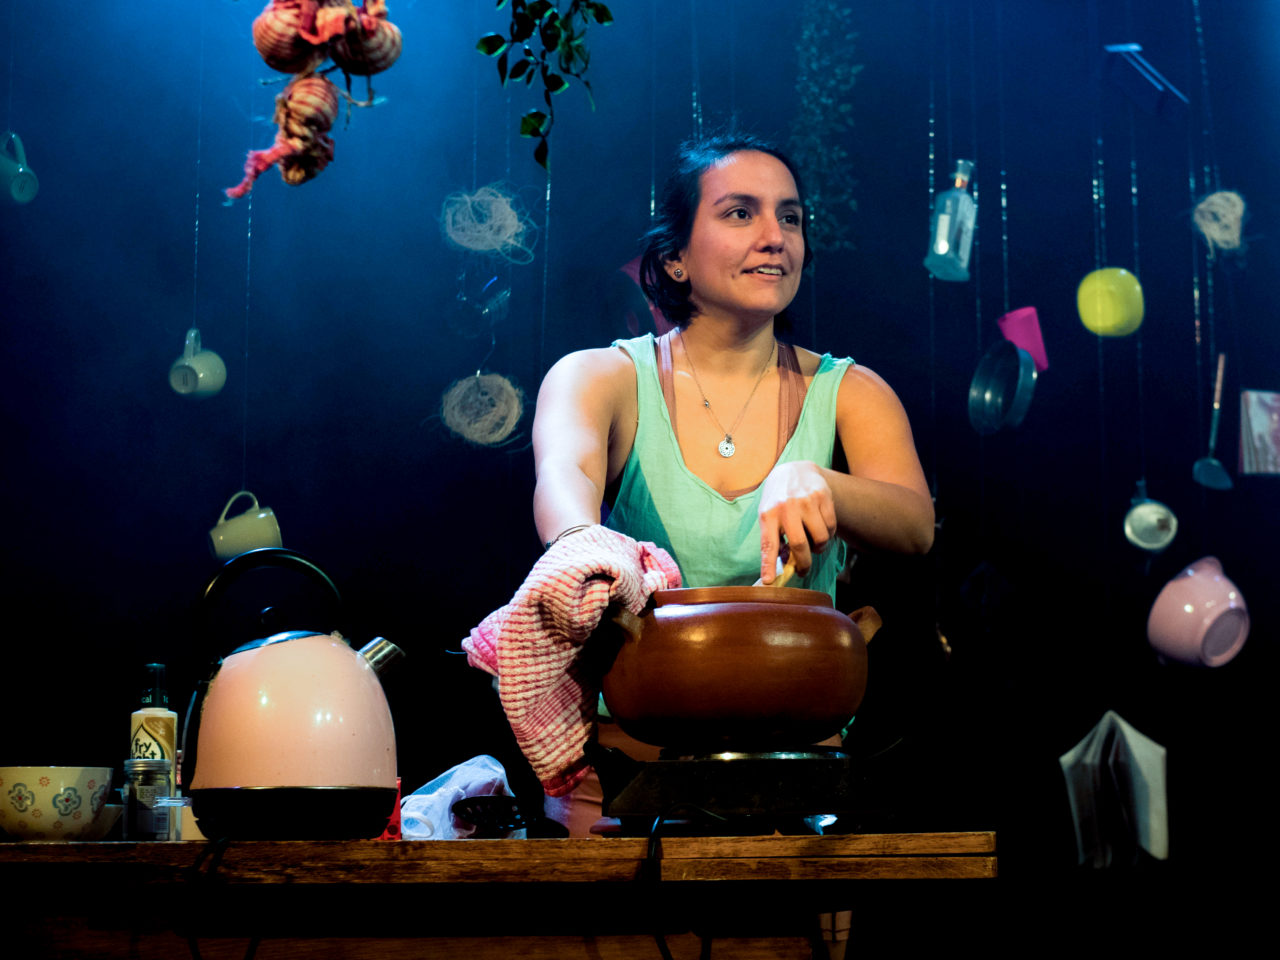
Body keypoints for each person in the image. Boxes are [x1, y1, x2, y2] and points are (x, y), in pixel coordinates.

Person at [525, 132, 934, 851]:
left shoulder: (851, 391)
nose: (775, 236)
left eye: (791, 217)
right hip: (625, 769)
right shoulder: (600, 377)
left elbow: (914, 524)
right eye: (741, 213)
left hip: (799, 765)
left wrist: (822, 482)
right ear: (675, 257)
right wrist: (582, 545)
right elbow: (566, 473)